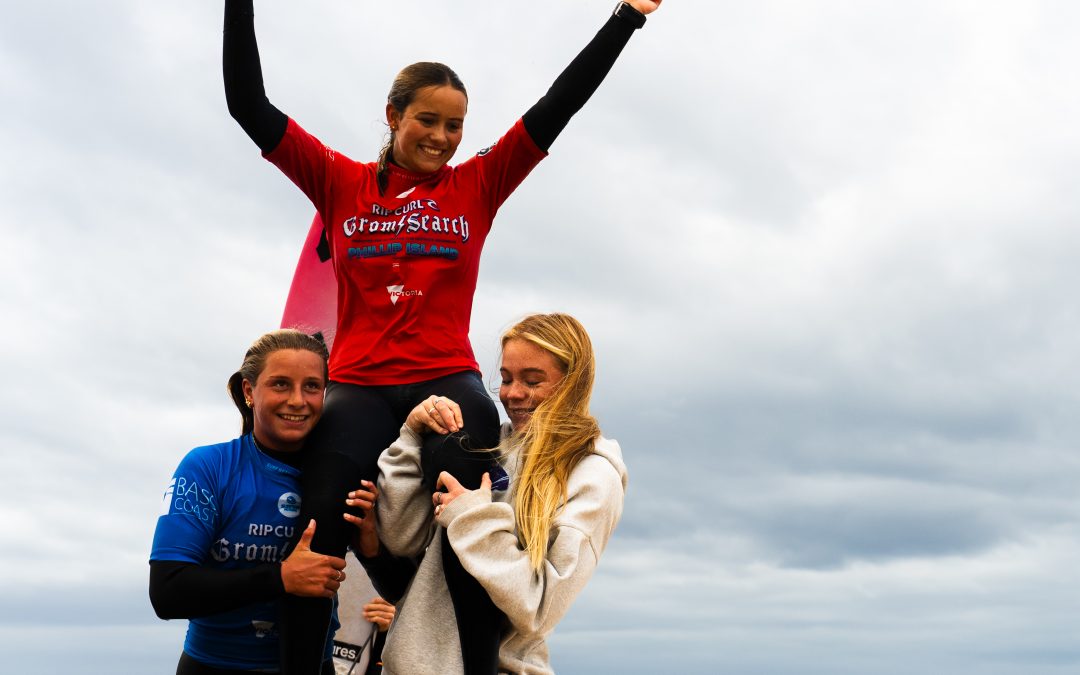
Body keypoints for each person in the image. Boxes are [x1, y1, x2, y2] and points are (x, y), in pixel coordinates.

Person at [222, 1, 660, 670]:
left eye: (455, 125)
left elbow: (558, 105)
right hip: (360, 384)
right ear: (393, 115)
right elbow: (247, 104)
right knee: (315, 529)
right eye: (428, 120)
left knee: (467, 511)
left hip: (445, 376)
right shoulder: (340, 182)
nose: (442, 137)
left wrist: (627, 15)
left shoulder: (477, 184)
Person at [374, 313, 627, 674]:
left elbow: (538, 608)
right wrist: (412, 434)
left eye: (532, 380)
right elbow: (401, 538)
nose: (512, 394)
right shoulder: (486, 445)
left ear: (572, 383)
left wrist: (472, 517)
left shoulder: (592, 476)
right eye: (506, 379)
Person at [149, 329, 379, 675]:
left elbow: (398, 587)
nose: (298, 400)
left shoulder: (344, 476)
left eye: (312, 386)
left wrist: (374, 550)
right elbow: (167, 592)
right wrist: (281, 577)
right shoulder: (209, 468)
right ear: (249, 391)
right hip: (213, 666)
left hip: (315, 666)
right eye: (281, 384)